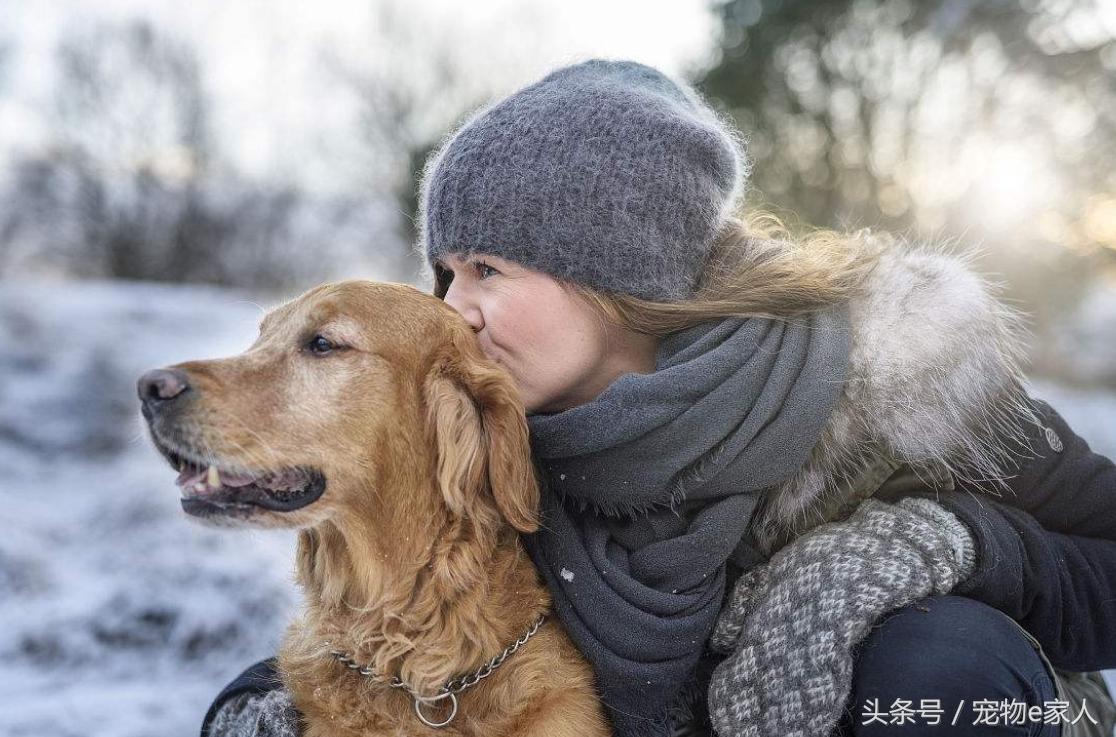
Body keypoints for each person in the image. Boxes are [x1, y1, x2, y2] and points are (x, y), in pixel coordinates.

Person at [202, 60, 1116, 737]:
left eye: (486, 267)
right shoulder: (492, 433)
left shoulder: (890, 381)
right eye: (443, 272)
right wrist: (260, 714)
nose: (454, 311)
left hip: (994, 707)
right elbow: (415, 636)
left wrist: (932, 544)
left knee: (932, 662)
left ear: (612, 274)